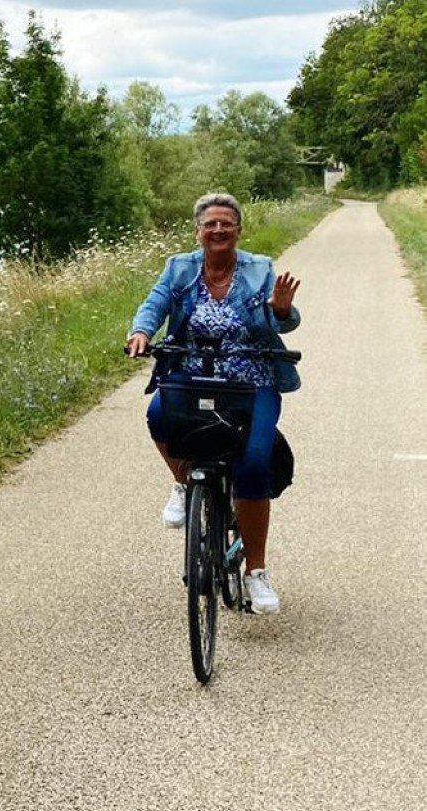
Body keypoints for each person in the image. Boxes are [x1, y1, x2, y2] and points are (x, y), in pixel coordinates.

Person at [125, 193, 300, 614]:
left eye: (226, 223)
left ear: (238, 229)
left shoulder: (259, 268)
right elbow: (156, 301)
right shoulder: (179, 266)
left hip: (251, 378)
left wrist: (280, 311)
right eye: (210, 223)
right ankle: (185, 484)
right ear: (198, 231)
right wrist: (142, 331)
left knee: (253, 463)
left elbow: (284, 319)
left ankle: (256, 572)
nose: (218, 229)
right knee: (157, 415)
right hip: (192, 372)